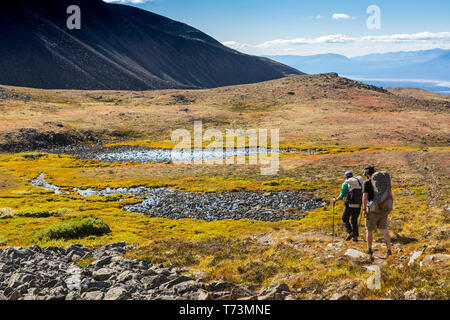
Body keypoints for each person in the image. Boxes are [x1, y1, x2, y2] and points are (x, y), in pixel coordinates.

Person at [363, 166, 392, 260]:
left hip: (373, 210)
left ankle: (369, 249)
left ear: (367, 174)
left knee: (369, 230)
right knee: (384, 230)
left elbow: (364, 197)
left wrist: (364, 209)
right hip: (384, 209)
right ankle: (389, 250)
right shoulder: (382, 182)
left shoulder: (367, 183)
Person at [333, 171, 361, 242]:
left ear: (346, 177)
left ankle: (350, 232)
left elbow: (342, 195)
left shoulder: (346, 183)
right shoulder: (358, 183)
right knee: (354, 220)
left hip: (349, 205)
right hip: (358, 205)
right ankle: (356, 236)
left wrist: (335, 199)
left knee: (344, 218)